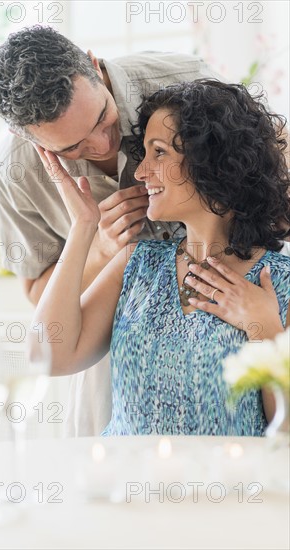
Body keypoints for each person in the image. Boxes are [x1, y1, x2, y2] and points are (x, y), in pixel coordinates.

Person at [0, 25, 228, 435]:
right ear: (23, 136)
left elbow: (264, 174)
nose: (101, 146)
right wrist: (96, 250)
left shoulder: (184, 85)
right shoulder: (18, 171)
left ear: (95, 66)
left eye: (103, 118)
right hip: (114, 359)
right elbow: (43, 323)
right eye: (72, 148)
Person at [29, 79, 290, 436]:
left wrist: (266, 329)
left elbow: (285, 436)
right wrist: (83, 228)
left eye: (159, 152)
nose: (140, 172)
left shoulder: (279, 284)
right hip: (125, 487)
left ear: (211, 162)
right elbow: (47, 357)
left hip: (226, 490)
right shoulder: (135, 264)